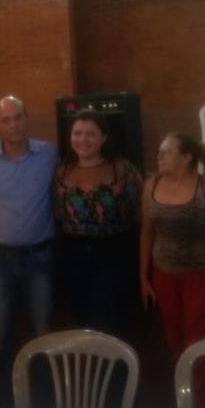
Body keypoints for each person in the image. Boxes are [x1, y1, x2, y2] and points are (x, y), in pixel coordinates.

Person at [0, 94, 60, 408]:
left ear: (27, 117)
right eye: (5, 119)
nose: (13, 125)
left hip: (40, 258)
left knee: (43, 335)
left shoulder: (50, 154)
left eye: (17, 117)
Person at [139, 131, 205, 408]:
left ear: (186, 157)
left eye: (166, 152)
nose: (159, 157)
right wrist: (143, 276)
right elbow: (146, 233)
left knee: (199, 352)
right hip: (164, 278)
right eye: (159, 152)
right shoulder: (151, 186)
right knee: (175, 351)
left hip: (200, 278)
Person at [53, 109, 142, 335]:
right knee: (82, 318)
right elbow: (56, 214)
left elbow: (141, 211)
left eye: (90, 134)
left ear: (104, 138)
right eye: (77, 133)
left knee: (106, 319)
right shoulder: (61, 172)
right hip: (73, 255)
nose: (82, 139)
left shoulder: (122, 169)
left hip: (114, 253)